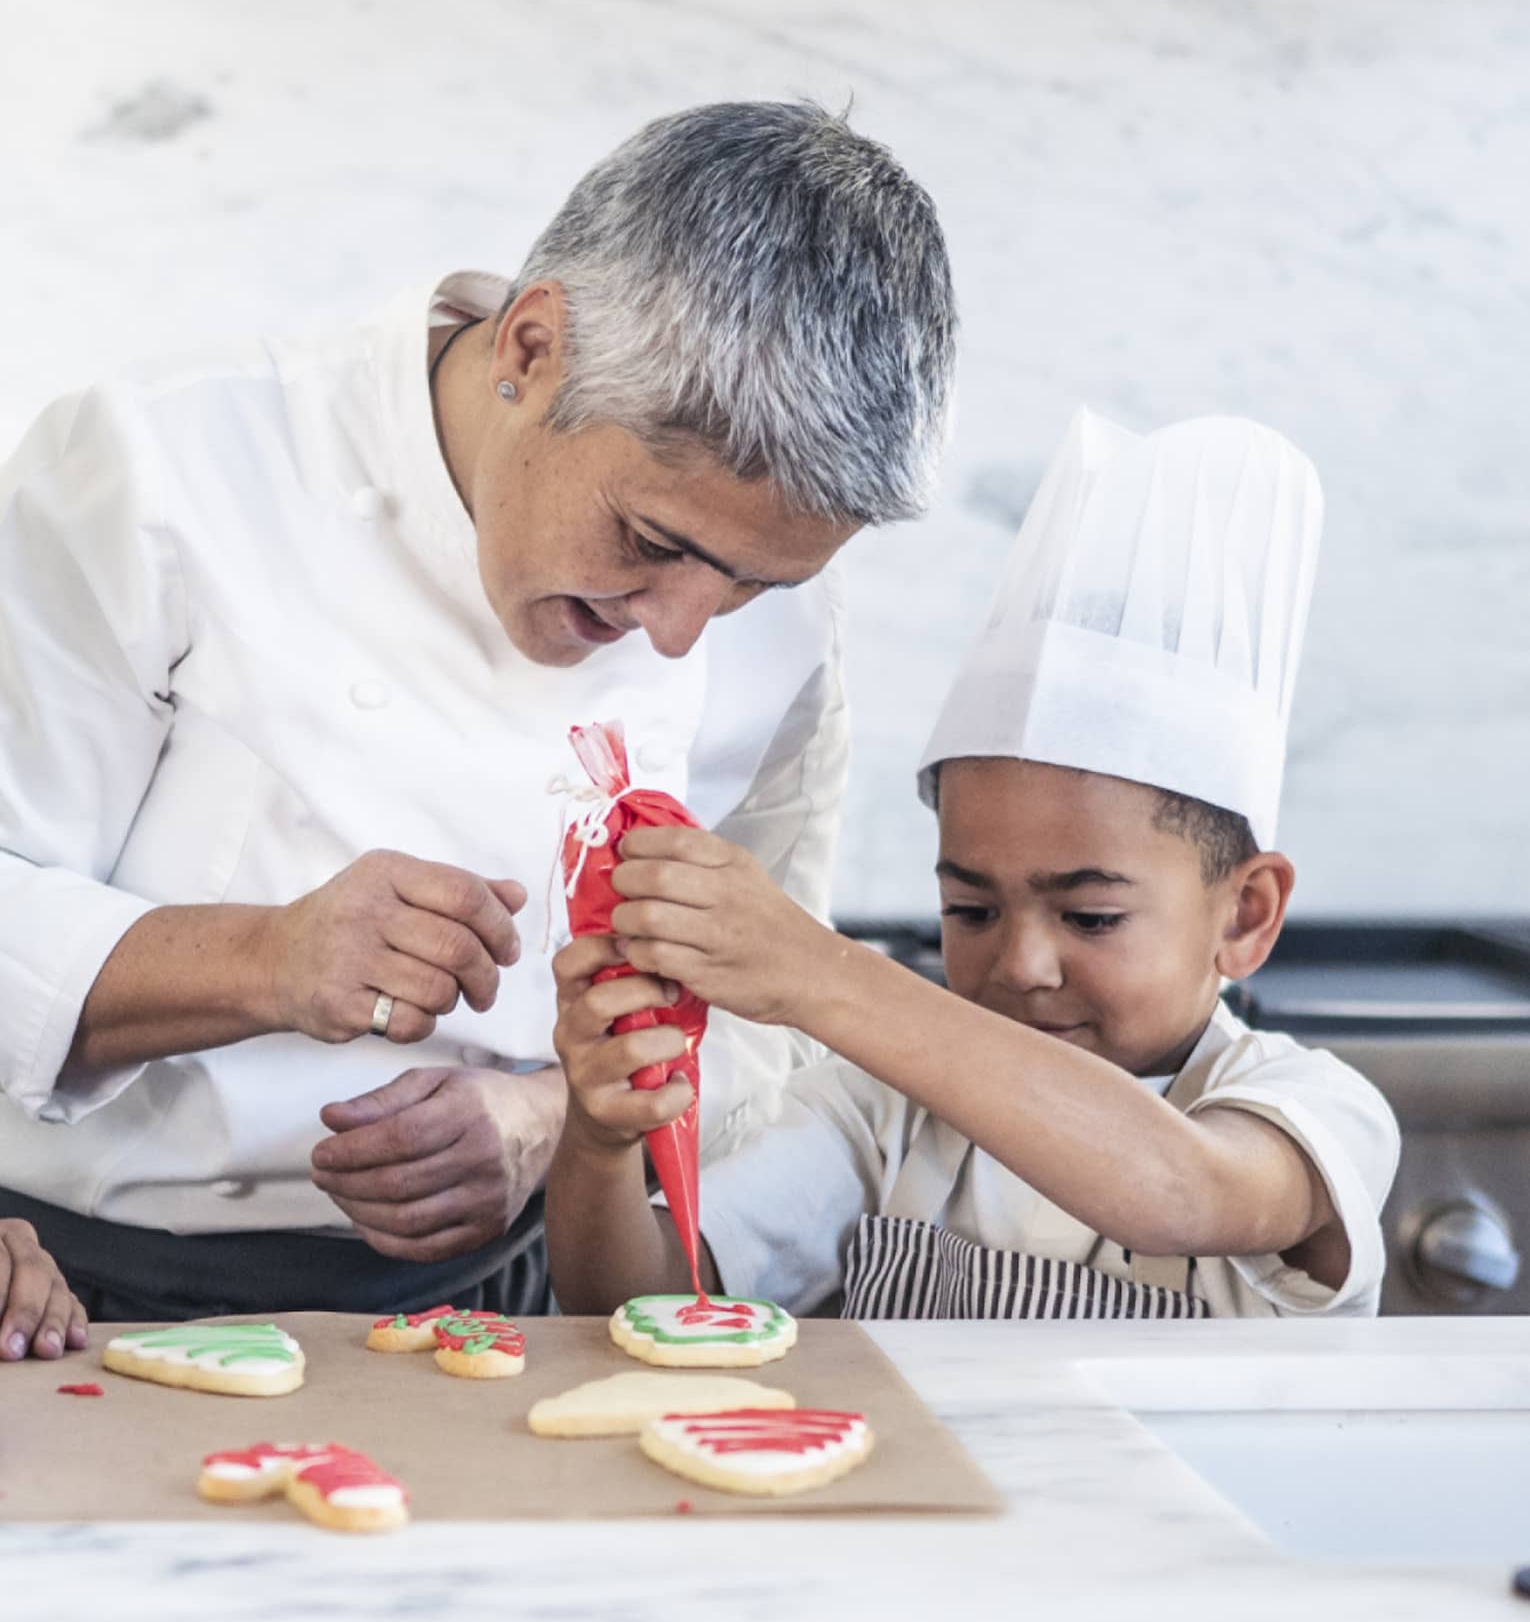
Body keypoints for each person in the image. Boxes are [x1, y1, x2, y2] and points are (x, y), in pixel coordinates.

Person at [0, 100, 957, 1355]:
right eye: (652, 543)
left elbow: (759, 1025)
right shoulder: (163, 470)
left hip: (512, 1314)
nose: (682, 629)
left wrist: (546, 1118)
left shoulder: (777, 626)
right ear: (532, 346)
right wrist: (267, 958)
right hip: (80, 1296)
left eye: (749, 586)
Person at [547, 410, 1401, 1321]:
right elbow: (638, 1306)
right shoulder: (885, 1113)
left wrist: (815, 971)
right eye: (972, 909)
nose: (1022, 966)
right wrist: (597, 1146)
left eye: (1091, 917)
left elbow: (1179, 1191)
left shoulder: (1313, 1110)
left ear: (1246, 914)